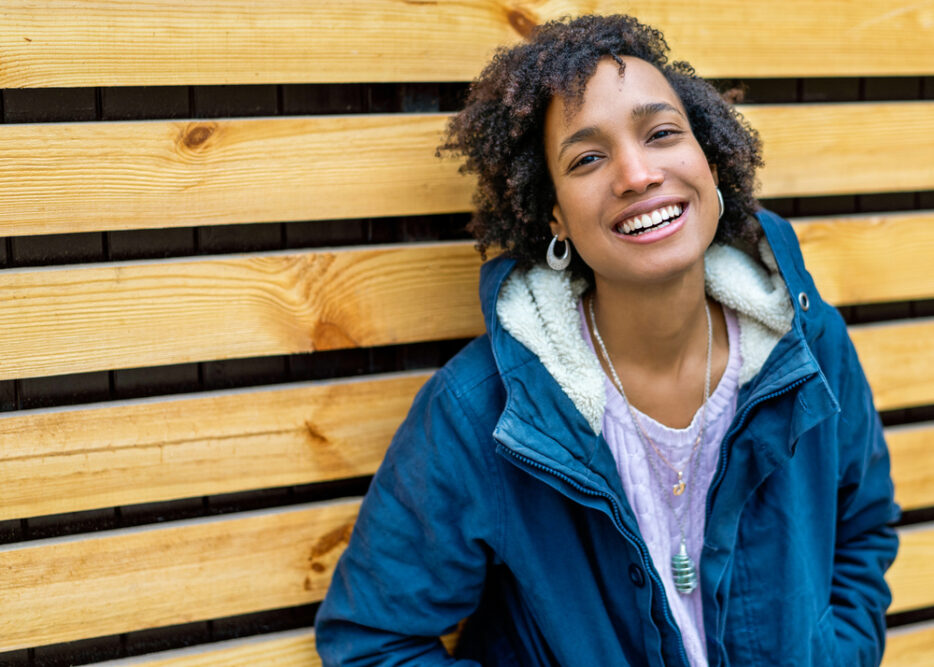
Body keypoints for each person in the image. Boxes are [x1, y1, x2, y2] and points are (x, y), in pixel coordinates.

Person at [315, 14, 899, 666]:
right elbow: (372, 640)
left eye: (662, 133)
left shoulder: (808, 342)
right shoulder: (482, 411)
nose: (636, 172)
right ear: (555, 212)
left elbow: (863, 530)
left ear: (707, 158)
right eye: (588, 157)